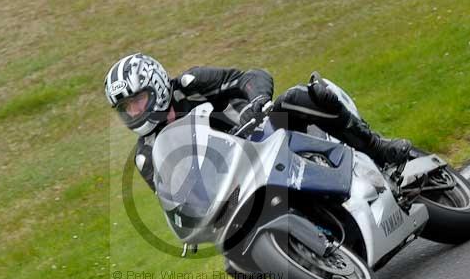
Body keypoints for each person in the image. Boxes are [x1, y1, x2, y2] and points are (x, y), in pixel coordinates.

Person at [103, 53, 411, 192]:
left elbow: (250, 76)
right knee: (238, 265)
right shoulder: (147, 155)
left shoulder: (190, 83)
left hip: (267, 134)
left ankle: (377, 147)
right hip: (238, 184)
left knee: (298, 97)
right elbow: (179, 202)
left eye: (137, 100)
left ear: (155, 84)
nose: (134, 111)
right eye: (126, 108)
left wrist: (257, 102)